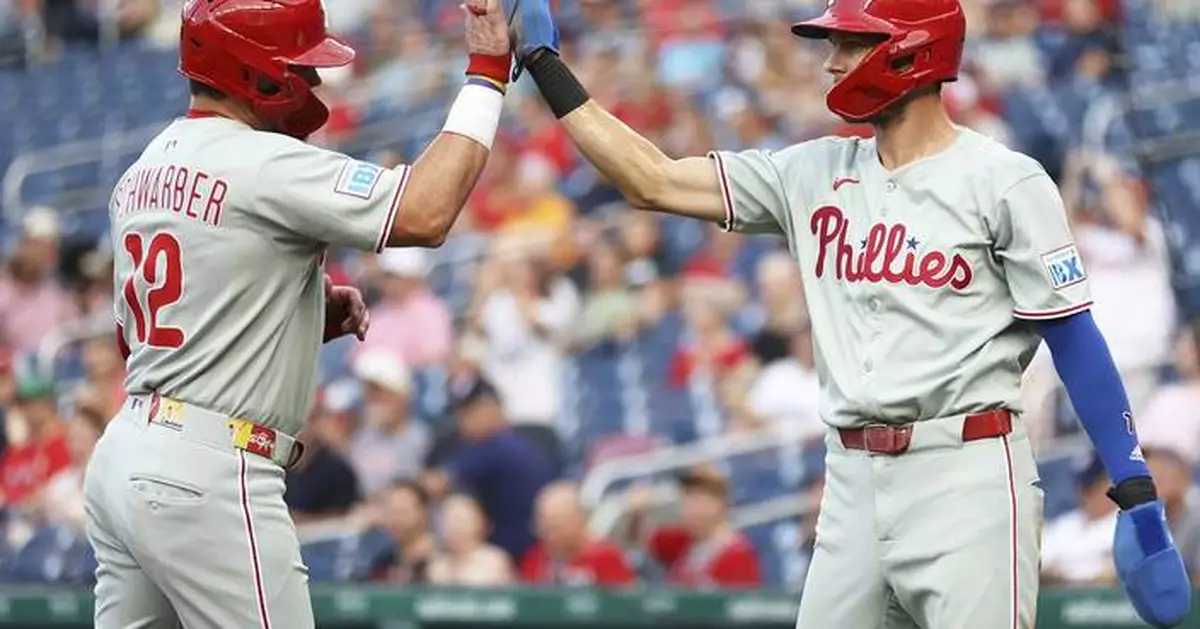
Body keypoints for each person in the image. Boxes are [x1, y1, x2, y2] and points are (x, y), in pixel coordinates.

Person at [509, 0, 1192, 626]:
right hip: (851, 480)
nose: (832, 60)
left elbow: (1071, 333)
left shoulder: (1005, 179)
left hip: (968, 472)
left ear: (911, 53)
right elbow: (651, 179)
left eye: (852, 42)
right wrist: (547, 67)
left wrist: (1132, 485)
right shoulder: (810, 171)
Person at [82, 0, 514, 626]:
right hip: (209, 470)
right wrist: (486, 73)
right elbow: (425, 211)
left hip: (127, 453)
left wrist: (290, 313)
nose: (311, 83)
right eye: (299, 67)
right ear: (252, 70)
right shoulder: (261, 160)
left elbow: (141, 344)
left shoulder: (143, 169)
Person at [421, 373, 556, 563]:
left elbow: (434, 486)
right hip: (528, 553)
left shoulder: (495, 447)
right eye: (458, 414)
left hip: (515, 557)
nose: (460, 422)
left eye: (469, 412)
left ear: (493, 407)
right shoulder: (519, 441)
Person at [626, 465, 762, 588]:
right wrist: (638, 513)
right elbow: (640, 539)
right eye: (686, 497)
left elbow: (741, 608)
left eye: (696, 498)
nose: (688, 507)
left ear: (718, 503)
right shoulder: (685, 540)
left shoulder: (738, 555)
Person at [520, 481, 636, 587]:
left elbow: (624, 604)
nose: (549, 535)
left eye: (557, 527)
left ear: (579, 520)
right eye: (544, 527)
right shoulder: (536, 557)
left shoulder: (606, 557)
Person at [1041, 454, 1119, 586]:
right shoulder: (1064, 523)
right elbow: (1039, 562)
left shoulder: (1125, 523)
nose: (1086, 493)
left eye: (1094, 486)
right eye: (1084, 486)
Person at [427, 493, 514, 586]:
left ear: (478, 523)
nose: (454, 527)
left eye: (461, 520)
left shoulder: (495, 561)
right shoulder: (435, 566)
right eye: (448, 520)